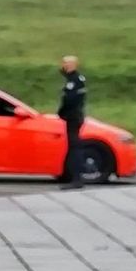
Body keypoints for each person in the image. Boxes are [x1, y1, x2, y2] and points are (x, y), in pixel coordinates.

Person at [58, 55, 88, 190]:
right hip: (76, 116)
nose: (63, 66)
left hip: (72, 117)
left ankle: (77, 179)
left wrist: (60, 113)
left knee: (74, 148)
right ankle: (72, 177)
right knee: (73, 147)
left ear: (72, 65)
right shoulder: (78, 79)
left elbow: (69, 100)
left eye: (65, 64)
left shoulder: (73, 81)